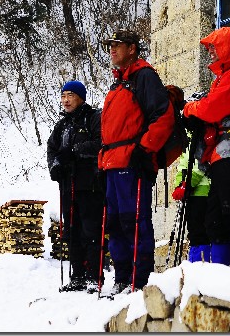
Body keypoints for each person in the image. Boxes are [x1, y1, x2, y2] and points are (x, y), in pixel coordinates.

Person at [98, 29, 175, 294]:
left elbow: (163, 115)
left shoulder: (144, 77)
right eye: (110, 46)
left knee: (134, 220)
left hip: (132, 161)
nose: (112, 50)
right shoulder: (119, 83)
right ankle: (122, 275)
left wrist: (145, 150)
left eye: (117, 45)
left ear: (132, 48)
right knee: (116, 223)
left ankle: (139, 278)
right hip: (113, 163)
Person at [182, 26, 230, 272]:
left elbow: (211, 109)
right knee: (215, 219)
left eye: (214, 47)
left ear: (226, 47)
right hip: (221, 156)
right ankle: (220, 275)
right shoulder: (223, 78)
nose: (210, 52)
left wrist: (189, 109)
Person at [46, 80, 105, 293]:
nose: (65, 100)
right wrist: (55, 167)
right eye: (63, 96)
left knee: (91, 231)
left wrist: (75, 151)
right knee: (72, 232)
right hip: (67, 185)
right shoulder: (61, 125)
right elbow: (52, 148)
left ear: (81, 97)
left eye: (70, 95)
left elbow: (101, 142)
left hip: (89, 184)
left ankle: (93, 276)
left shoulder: (93, 117)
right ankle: (77, 275)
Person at [171, 147, 211, 262]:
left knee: (200, 234)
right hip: (191, 191)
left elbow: (202, 164)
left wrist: (187, 184)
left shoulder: (200, 134)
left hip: (204, 190)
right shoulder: (187, 138)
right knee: (195, 233)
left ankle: (200, 265)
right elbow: (183, 164)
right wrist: (179, 184)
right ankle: (195, 264)